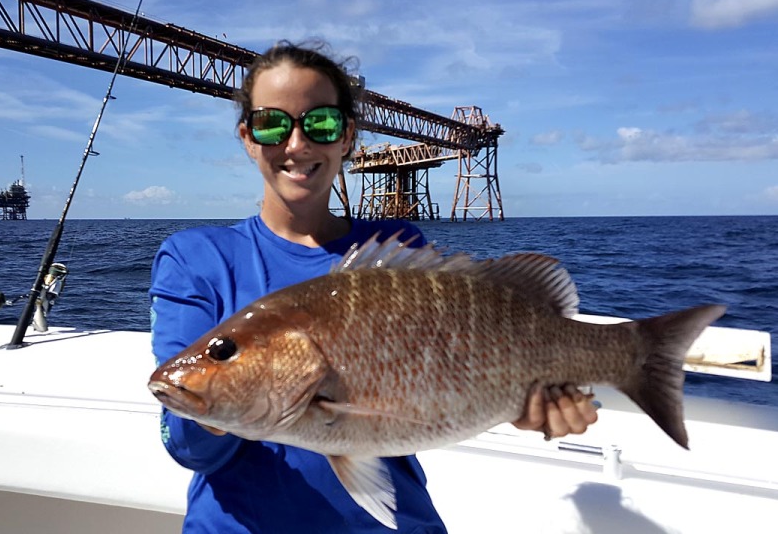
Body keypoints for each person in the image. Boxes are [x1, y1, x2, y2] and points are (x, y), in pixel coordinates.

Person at [149, 39, 598, 533]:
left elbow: (437, 393)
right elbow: (185, 446)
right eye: (272, 123)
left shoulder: (398, 245)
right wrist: (215, 405)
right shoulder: (196, 259)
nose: (296, 144)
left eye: (320, 123)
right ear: (247, 136)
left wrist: (522, 405)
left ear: (347, 137)